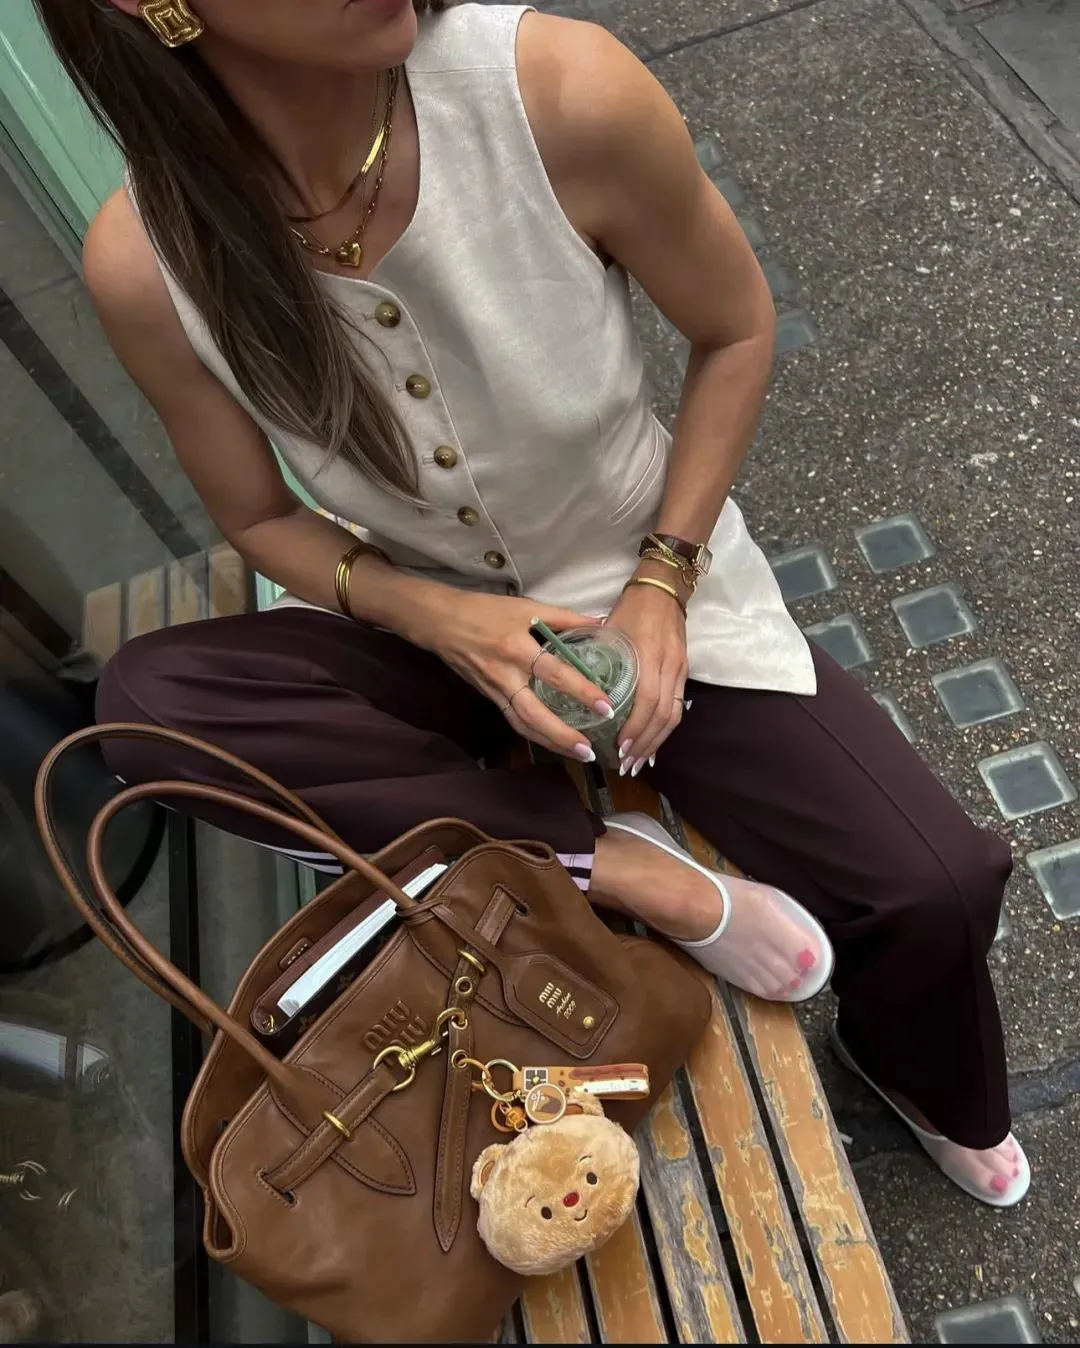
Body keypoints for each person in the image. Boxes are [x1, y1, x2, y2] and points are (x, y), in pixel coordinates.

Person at [38, 0, 1026, 1206]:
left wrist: (663, 582)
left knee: (938, 884)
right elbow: (259, 518)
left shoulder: (555, 91)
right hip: (424, 623)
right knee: (149, 703)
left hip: (645, 589)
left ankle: (907, 1062)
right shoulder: (148, 257)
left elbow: (734, 328)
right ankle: (605, 861)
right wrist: (441, 619)